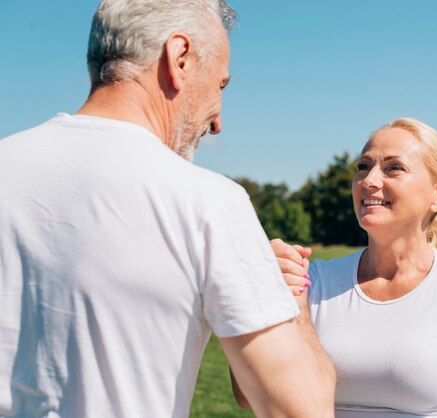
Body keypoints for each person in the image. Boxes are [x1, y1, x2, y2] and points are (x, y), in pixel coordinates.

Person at [0, 1, 334, 417]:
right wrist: (290, 300)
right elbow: (300, 409)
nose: (218, 123)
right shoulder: (209, 202)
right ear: (179, 58)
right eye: (221, 85)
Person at [265, 117, 437, 417]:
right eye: (363, 166)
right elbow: (250, 393)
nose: (369, 180)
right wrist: (267, 291)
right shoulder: (312, 282)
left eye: (393, 168)